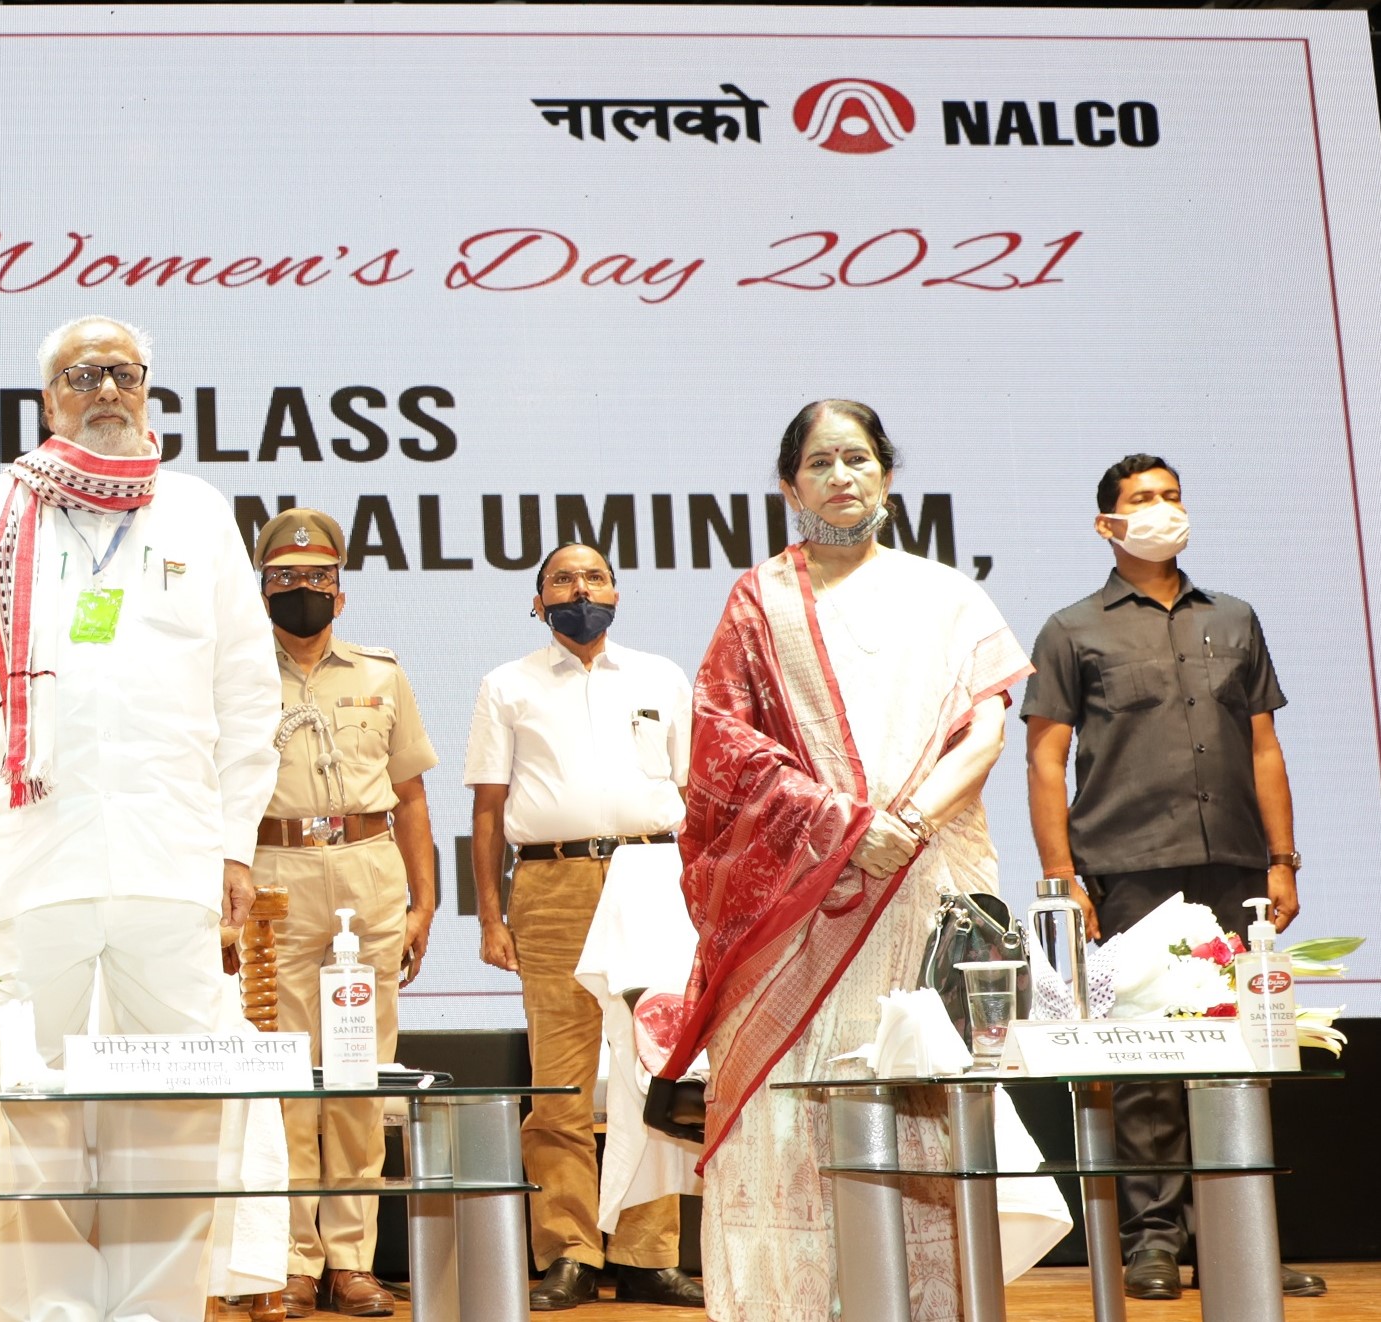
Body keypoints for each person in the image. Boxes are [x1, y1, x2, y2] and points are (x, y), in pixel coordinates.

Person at [0, 315, 280, 1322]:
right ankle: (49, 1314)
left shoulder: (199, 514)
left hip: (171, 856)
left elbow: (248, 692)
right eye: (81, 375)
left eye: (122, 372)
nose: (104, 389)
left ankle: (156, 1310)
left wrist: (234, 841)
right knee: (27, 1105)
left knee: (175, 1107)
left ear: (150, 387)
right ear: (46, 399)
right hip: (28, 853)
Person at [662, 400, 1028, 1322]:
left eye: (857, 458)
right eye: (819, 462)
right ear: (790, 485)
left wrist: (899, 823)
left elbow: (984, 731)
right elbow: (718, 745)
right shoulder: (759, 602)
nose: (840, 477)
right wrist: (837, 826)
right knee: (787, 1116)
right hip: (800, 904)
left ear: (886, 476)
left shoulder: (945, 594)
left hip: (923, 887)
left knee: (921, 1110)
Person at [1019, 454, 1322, 1300]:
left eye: (1171, 496)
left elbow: (1263, 744)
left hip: (1233, 863)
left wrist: (1281, 858)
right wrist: (1061, 878)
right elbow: (1044, 760)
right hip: (1127, 869)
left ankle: (1241, 1240)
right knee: (1148, 1064)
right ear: (1105, 524)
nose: (1161, 510)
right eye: (1141, 500)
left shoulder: (1234, 617)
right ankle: (1151, 1243)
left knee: (1240, 1058)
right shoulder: (1072, 628)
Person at [466, 543, 704, 1310]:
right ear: (537, 603)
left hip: (650, 877)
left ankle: (644, 1254)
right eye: (561, 580)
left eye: (593, 577)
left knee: (652, 1068)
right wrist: (490, 917)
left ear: (617, 593)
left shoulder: (661, 677)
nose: (579, 590)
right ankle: (567, 1249)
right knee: (560, 1081)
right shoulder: (507, 685)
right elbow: (486, 810)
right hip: (551, 880)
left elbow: (691, 792)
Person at [248, 508, 438, 1319]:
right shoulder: (237, 676)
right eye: (284, 579)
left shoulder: (381, 673)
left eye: (316, 578)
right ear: (260, 590)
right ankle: (291, 1259)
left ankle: (351, 1260)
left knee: (358, 1072)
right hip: (271, 875)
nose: (301, 591)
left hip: (366, 870)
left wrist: (425, 899)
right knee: (285, 1076)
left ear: (340, 590)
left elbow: (410, 794)